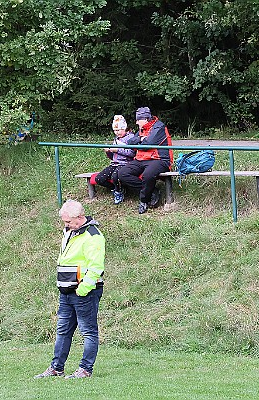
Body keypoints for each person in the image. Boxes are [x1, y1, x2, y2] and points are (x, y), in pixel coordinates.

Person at [34, 200, 105, 379]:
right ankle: (56, 367)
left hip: (84, 292)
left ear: (80, 217)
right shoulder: (70, 231)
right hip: (66, 292)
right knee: (63, 330)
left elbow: (96, 267)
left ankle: (85, 369)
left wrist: (83, 289)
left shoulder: (93, 236)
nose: (65, 225)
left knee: (88, 331)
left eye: (68, 222)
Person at [118, 107, 173, 214]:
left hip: (159, 159)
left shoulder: (159, 127)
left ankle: (144, 200)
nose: (136, 122)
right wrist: (140, 139)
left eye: (138, 120)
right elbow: (130, 142)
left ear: (145, 119)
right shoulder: (142, 129)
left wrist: (140, 143)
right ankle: (152, 191)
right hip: (141, 159)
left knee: (147, 175)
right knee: (122, 174)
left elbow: (147, 145)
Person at [94, 115, 135, 204]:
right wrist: (108, 151)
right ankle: (117, 188)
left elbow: (132, 153)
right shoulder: (116, 139)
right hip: (115, 163)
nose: (117, 133)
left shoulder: (131, 138)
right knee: (99, 179)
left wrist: (117, 150)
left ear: (125, 128)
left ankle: (118, 191)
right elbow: (112, 156)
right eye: (115, 131)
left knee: (115, 176)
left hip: (126, 164)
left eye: (118, 130)